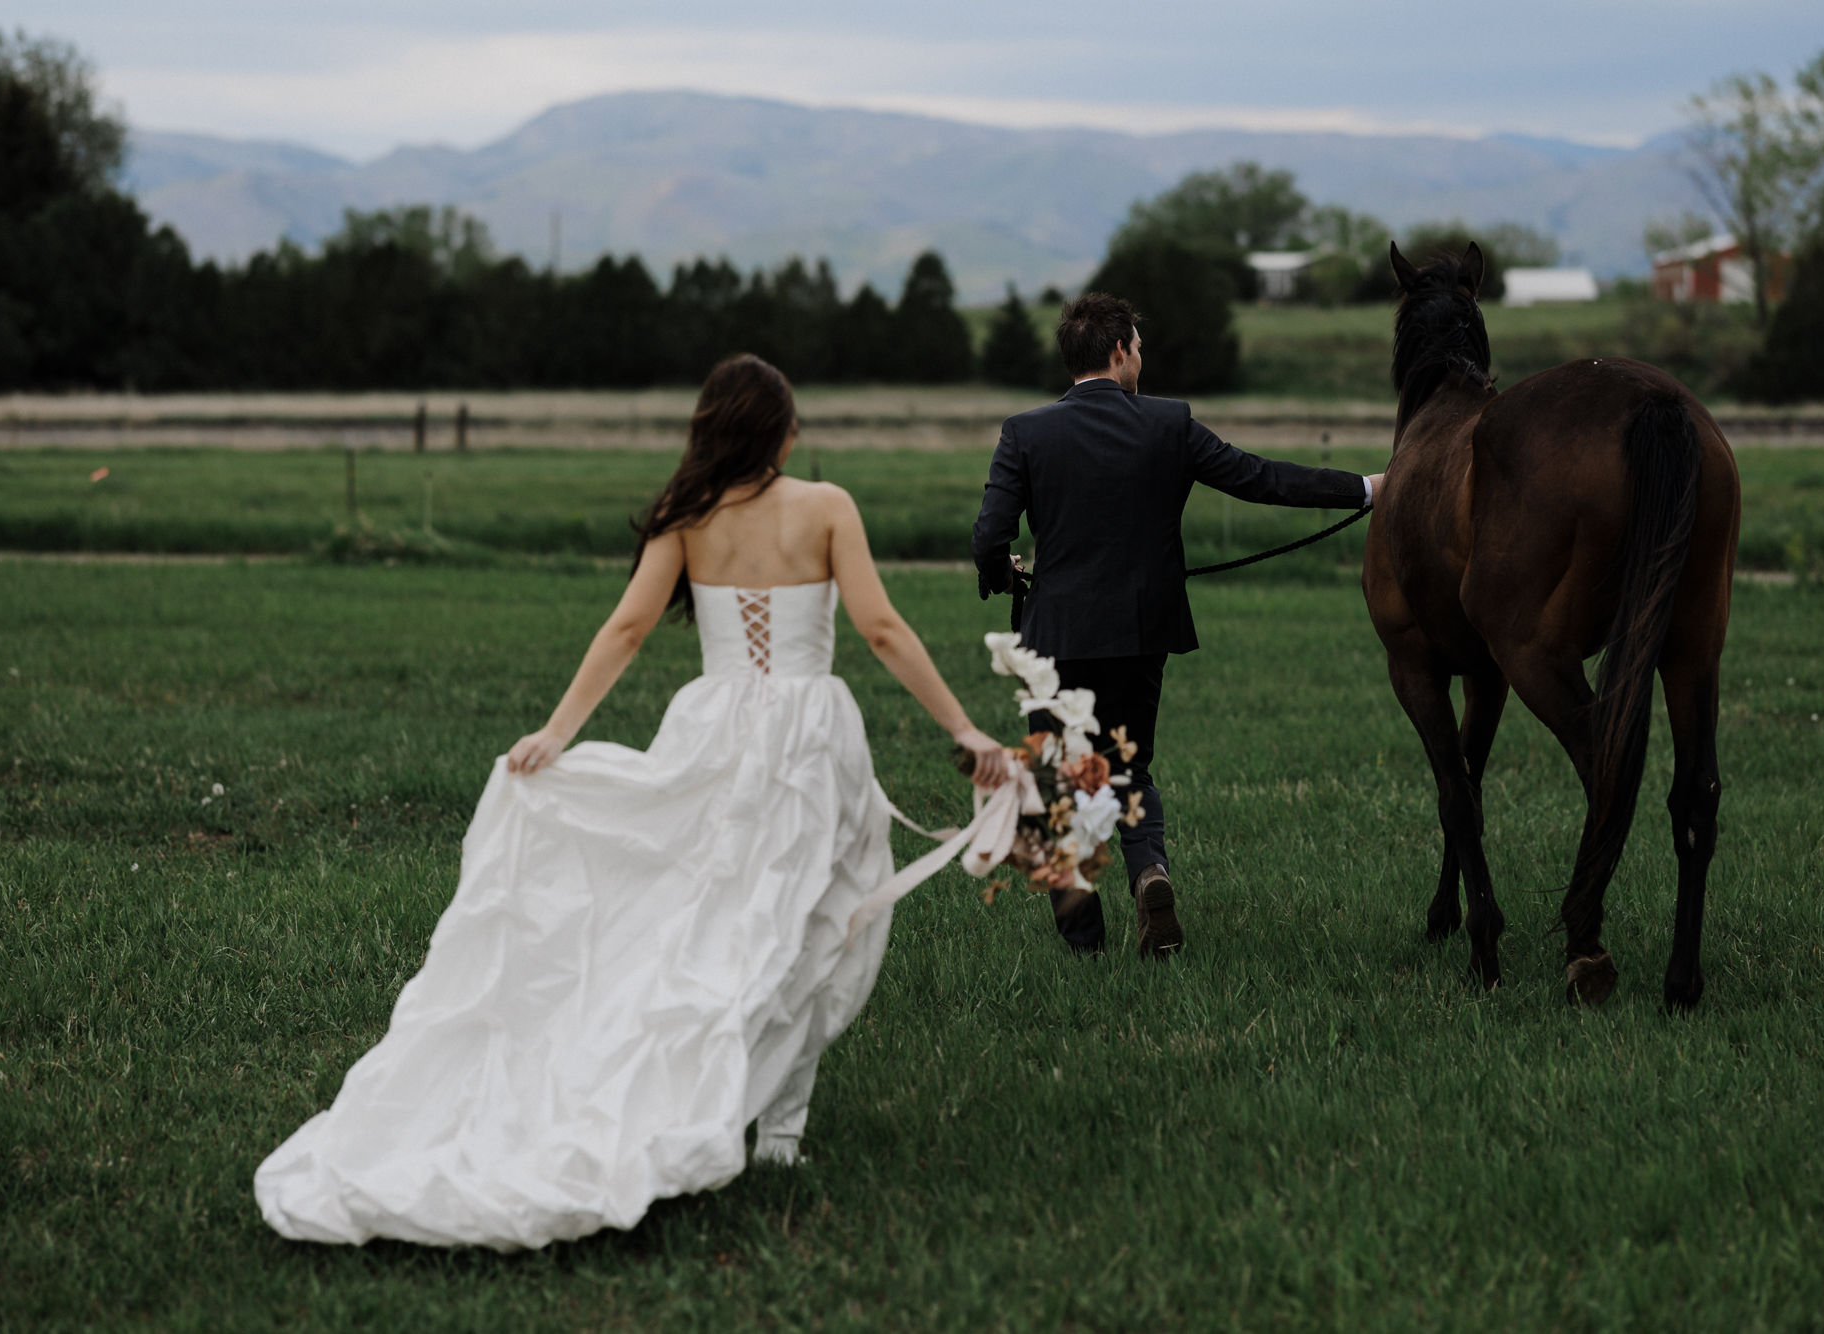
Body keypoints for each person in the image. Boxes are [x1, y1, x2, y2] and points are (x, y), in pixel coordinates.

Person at [256, 355, 1009, 1251]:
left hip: (714, 730)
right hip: (810, 736)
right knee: (813, 917)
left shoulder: (687, 517)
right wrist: (966, 731)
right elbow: (882, 628)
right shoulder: (827, 506)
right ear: (780, 432)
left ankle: (754, 1113)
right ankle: (776, 1130)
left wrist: (557, 733)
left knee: (721, 919)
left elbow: (627, 626)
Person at [971, 292, 1383, 958]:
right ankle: (1149, 874)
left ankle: (1084, 944)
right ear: (1118, 353)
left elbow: (990, 534)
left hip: (1054, 636)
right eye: (1138, 345)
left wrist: (1005, 575)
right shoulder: (1169, 424)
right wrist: (1366, 489)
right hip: (1140, 631)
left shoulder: (1025, 432)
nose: (1142, 356)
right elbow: (1262, 479)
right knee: (1129, 767)